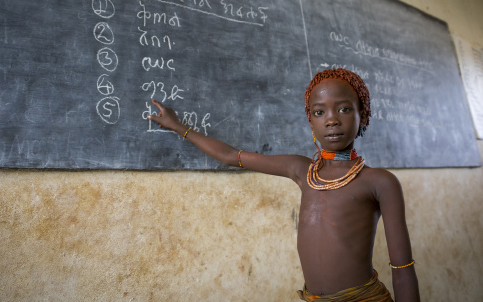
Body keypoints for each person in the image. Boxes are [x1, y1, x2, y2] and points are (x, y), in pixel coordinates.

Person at [148, 68, 420, 301]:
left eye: (344, 108)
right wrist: (177, 126)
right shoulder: (302, 169)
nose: (332, 119)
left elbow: (403, 268)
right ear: (311, 121)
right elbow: (231, 156)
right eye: (319, 111)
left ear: (363, 114)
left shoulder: (379, 182)